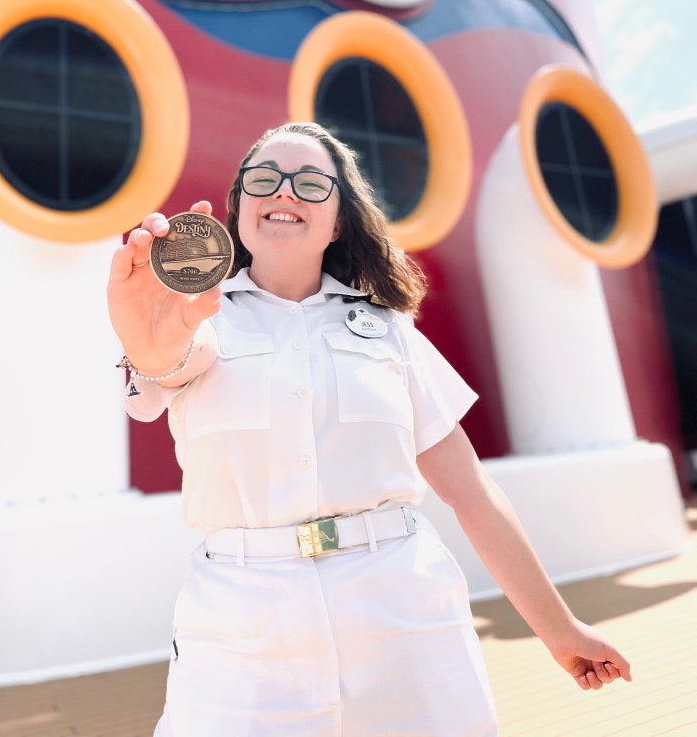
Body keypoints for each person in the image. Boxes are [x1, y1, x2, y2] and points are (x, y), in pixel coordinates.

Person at [107, 121, 631, 737]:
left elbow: (473, 495)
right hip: (240, 631)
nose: (284, 191)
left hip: (403, 614)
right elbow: (162, 366)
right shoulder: (196, 320)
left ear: (338, 221)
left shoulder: (388, 331)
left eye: (311, 183)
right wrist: (146, 338)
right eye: (264, 179)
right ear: (239, 206)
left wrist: (561, 629)